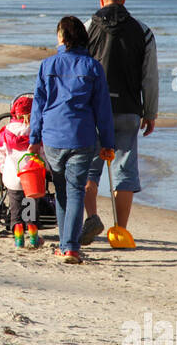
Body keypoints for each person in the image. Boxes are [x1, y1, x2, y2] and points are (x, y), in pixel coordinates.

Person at [28, 16, 115, 263]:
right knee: (75, 190)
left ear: (62, 38)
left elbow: (38, 105)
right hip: (82, 136)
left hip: (53, 136)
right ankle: (70, 247)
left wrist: (34, 139)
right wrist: (108, 143)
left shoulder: (48, 65)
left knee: (62, 191)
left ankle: (67, 244)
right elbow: (103, 110)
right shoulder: (93, 67)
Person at [81, 0, 158, 246]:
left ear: (100, 1)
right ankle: (120, 232)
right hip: (128, 109)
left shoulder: (87, 28)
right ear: (123, 0)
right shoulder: (143, 31)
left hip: (93, 110)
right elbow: (150, 77)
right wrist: (150, 111)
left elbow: (76, 69)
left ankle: (92, 217)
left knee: (89, 170)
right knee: (125, 171)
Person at [0, 96, 40, 248]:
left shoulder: (5, 132)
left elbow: (0, 152)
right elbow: (43, 153)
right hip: (32, 177)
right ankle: (33, 234)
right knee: (30, 205)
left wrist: (2, 168)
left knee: (15, 207)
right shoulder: (36, 132)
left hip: (12, 176)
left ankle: (18, 236)